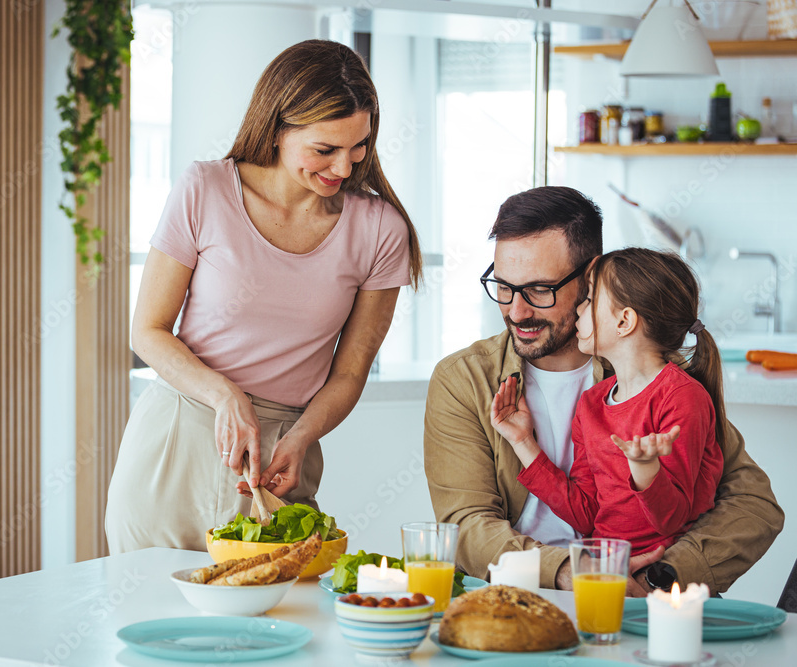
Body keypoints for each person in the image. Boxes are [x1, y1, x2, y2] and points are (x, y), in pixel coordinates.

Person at [105, 40, 423, 553]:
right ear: (277, 129)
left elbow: (350, 370)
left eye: (359, 146)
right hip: (175, 439)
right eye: (325, 149)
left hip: (280, 455)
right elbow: (148, 331)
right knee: (148, 615)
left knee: (279, 620)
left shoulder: (380, 230)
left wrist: (299, 438)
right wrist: (223, 394)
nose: (344, 167)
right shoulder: (204, 190)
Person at [423, 186, 783, 595]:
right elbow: (466, 524)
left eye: (540, 289)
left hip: (651, 597)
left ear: (590, 275)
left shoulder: (656, 378)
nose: (516, 311)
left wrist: (654, 578)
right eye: (503, 286)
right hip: (522, 598)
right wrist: (574, 573)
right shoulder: (464, 380)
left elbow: (755, 506)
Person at [490, 248, 724, 557]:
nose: (578, 310)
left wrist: (645, 469)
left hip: (662, 580)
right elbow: (586, 515)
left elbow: (672, 519)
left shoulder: (682, 397)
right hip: (603, 572)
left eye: (588, 301)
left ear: (625, 321)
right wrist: (522, 441)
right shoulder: (592, 404)